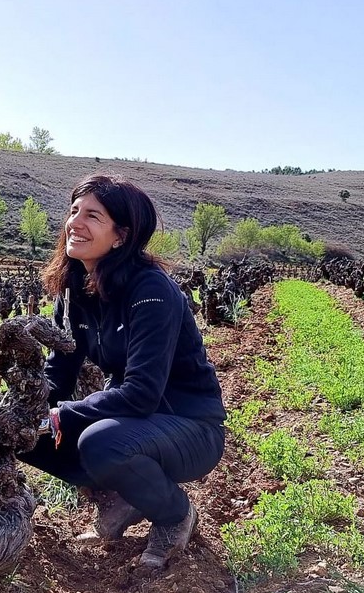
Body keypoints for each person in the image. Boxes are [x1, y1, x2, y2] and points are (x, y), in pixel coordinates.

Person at [19, 173, 226, 570]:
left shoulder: (152, 290)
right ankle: (120, 499)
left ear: (121, 236)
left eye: (93, 216)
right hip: (133, 422)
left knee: (100, 442)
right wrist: (24, 412)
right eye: (74, 210)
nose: (75, 222)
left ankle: (174, 515)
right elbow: (60, 368)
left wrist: (61, 414)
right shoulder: (75, 289)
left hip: (191, 428)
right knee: (22, 432)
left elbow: (142, 393)